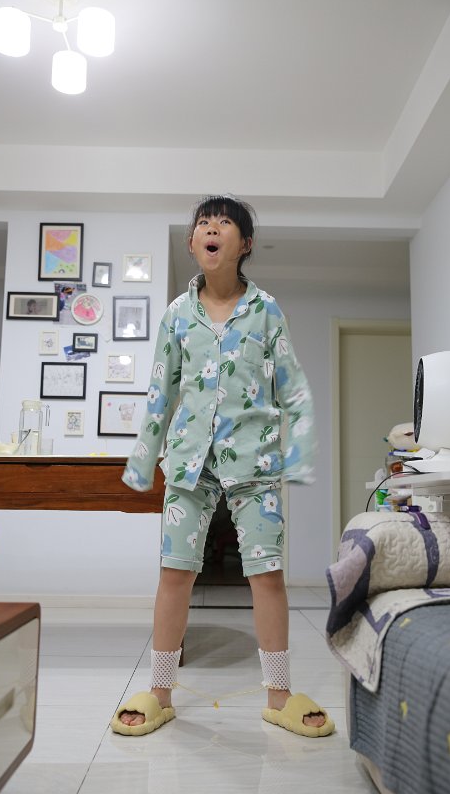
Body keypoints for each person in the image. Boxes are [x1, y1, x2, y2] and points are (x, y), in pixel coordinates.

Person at [111, 195, 335, 739]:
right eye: (203, 223)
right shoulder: (175, 315)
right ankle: (160, 692)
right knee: (174, 572)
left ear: (245, 244)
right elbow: (161, 391)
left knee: (268, 574)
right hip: (188, 460)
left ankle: (278, 695)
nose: (212, 228)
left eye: (225, 223)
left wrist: (298, 454)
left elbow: (293, 388)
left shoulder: (267, 311)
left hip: (255, 461)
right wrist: (142, 460)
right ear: (192, 243)